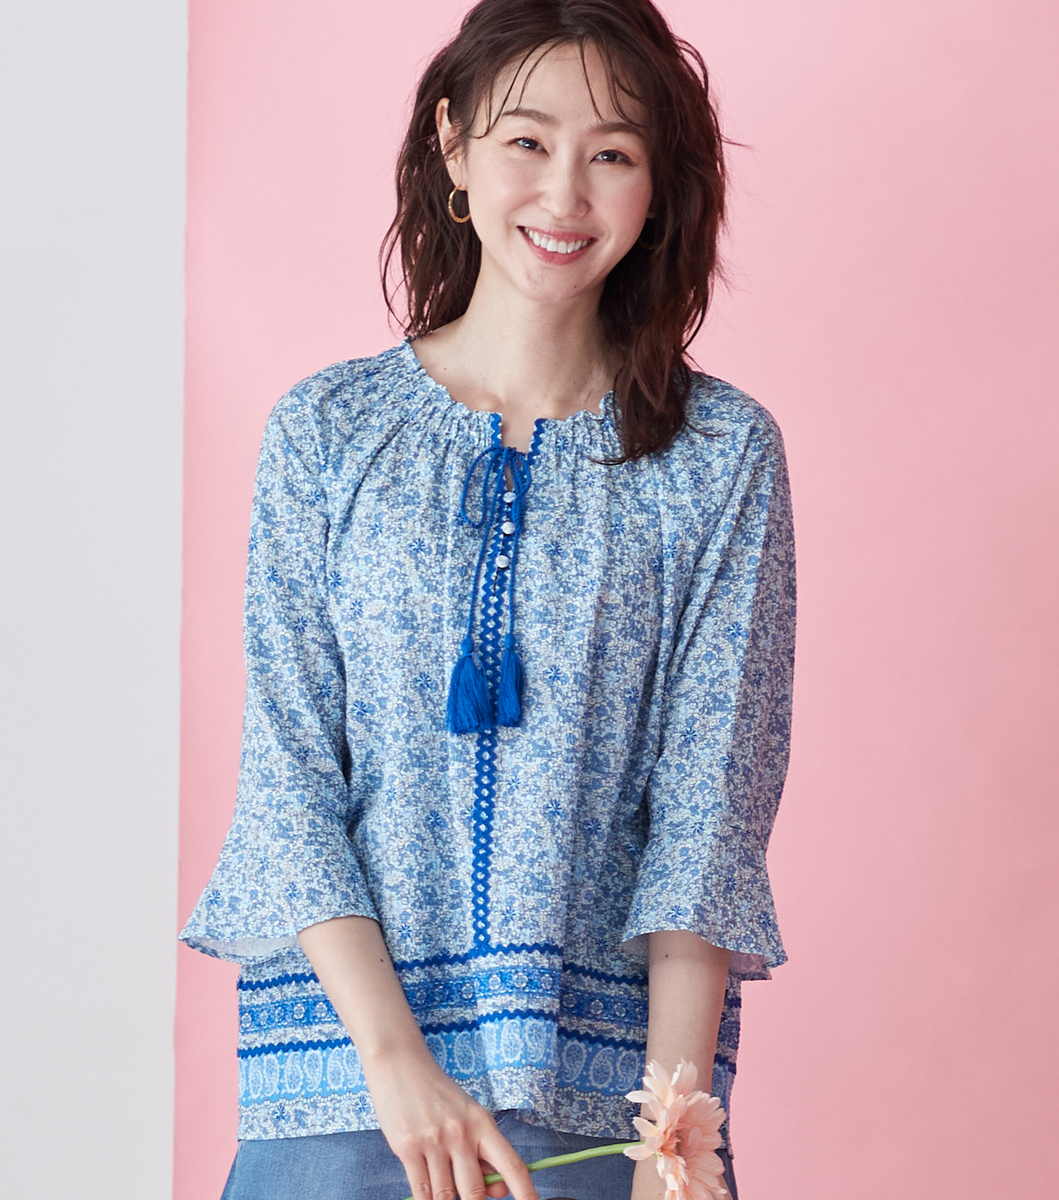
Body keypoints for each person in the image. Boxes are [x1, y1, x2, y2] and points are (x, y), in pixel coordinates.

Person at [181, 2, 796, 1198]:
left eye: (612, 153)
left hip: (597, 1119)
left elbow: (708, 822)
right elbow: (290, 782)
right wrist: (397, 1068)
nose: (565, 193)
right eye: (527, 141)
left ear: (658, 188)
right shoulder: (326, 431)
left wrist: (673, 1148)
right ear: (453, 147)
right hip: (343, 1092)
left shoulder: (722, 457)